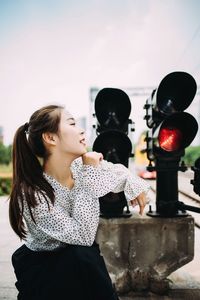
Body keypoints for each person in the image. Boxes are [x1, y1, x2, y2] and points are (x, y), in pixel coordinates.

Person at [9, 104, 150, 300]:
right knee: (84, 255)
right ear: (50, 138)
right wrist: (90, 173)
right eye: (72, 123)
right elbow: (83, 236)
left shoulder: (78, 166)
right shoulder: (33, 194)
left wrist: (135, 184)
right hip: (43, 272)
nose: (82, 129)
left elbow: (118, 172)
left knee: (85, 258)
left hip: (79, 262)